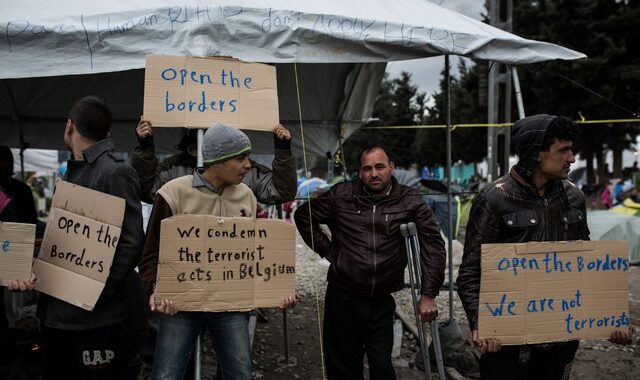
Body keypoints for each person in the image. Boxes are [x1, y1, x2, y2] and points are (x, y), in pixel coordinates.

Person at [456, 114, 633, 380]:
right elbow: (470, 273)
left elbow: (586, 264)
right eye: (563, 150)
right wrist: (481, 325)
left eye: (571, 150)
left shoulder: (574, 197)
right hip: (508, 345)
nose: (572, 158)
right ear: (537, 153)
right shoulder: (494, 199)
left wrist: (611, 318)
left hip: (560, 342)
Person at [138, 123, 297, 379]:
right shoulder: (173, 193)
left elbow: (254, 255)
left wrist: (276, 290)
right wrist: (156, 288)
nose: (248, 165)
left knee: (240, 373)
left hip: (230, 307)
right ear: (217, 161)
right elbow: (150, 251)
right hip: (181, 304)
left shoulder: (246, 195)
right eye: (241, 157)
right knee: (167, 374)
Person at [9, 95, 145, 379]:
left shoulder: (116, 172)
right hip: (56, 317)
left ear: (69, 126)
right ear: (107, 132)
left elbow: (131, 241)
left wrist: (96, 289)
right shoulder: (73, 173)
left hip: (94, 320)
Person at [294, 145, 446, 380]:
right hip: (342, 295)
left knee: (382, 366)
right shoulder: (341, 195)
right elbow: (304, 215)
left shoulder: (409, 200)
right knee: (343, 367)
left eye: (379, 167)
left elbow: (433, 245)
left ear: (391, 168)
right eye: (367, 169)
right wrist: (329, 252)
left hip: (380, 299)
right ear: (360, 173)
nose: (374, 174)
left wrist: (428, 294)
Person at [131, 118, 297, 205]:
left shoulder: (247, 176)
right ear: (193, 148)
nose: (246, 164)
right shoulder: (173, 175)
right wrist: (145, 148)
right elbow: (146, 192)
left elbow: (282, 192)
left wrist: (283, 149)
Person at [0, 146, 37, 225]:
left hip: (21, 231)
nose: (2, 164)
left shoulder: (23, 189)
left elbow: (32, 218)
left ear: (10, 163)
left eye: (5, 160)